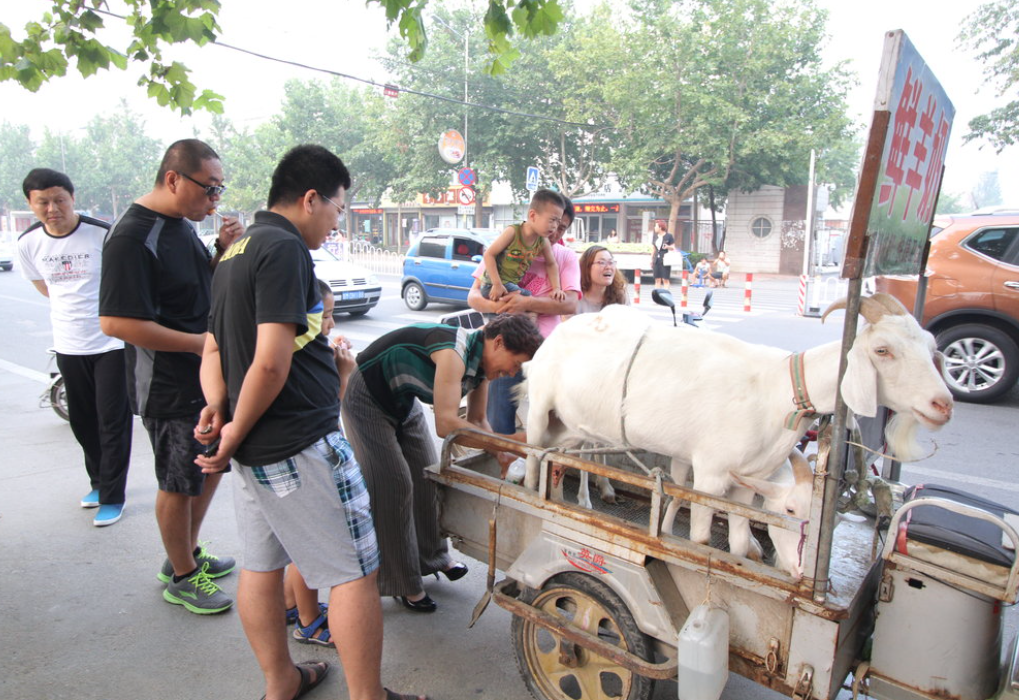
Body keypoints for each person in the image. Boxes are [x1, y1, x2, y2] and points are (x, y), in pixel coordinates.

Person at [194, 144, 426, 700]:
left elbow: (214, 350)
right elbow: (271, 360)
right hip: (295, 442)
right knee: (353, 572)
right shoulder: (284, 248)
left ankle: (283, 681)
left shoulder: (235, 251)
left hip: (256, 449)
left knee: (261, 565)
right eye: (339, 207)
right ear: (310, 198)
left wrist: (219, 411)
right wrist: (233, 431)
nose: (337, 219)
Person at [99, 139, 243, 614]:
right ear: (174, 179)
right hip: (167, 382)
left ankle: (185, 552)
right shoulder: (130, 237)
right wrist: (198, 343)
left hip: (203, 375)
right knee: (178, 480)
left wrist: (220, 252)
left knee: (207, 468)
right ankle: (181, 576)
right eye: (209, 188)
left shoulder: (179, 225)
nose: (214, 200)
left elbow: (188, 287)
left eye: (219, 189)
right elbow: (117, 323)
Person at [341, 314, 543, 613]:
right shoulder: (454, 351)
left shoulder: (481, 366)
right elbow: (447, 425)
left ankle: (432, 557)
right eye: (515, 363)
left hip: (402, 401)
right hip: (367, 398)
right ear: (498, 342)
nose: (513, 371)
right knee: (395, 486)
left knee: (427, 478)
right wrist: (512, 442)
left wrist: (502, 452)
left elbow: (476, 421)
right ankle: (403, 582)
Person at [18, 168, 133, 527]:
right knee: (83, 421)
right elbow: (44, 286)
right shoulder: (28, 244)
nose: (53, 208)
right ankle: (98, 483)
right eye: (43, 202)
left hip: (111, 342)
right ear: (31, 204)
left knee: (113, 421)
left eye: (59, 200)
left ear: (72, 198)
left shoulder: (101, 234)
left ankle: (114, 496)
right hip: (69, 344)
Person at [468, 198, 581, 434]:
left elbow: (570, 304)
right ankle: (500, 460)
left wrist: (527, 303)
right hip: (506, 348)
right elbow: (473, 298)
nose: (554, 231)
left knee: (553, 425)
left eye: (562, 227)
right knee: (499, 418)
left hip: (547, 351)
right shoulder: (509, 244)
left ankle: (544, 467)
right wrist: (505, 305)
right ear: (534, 216)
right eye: (553, 222)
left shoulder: (564, 257)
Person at [479, 188, 565, 302]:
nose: (555, 226)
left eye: (558, 221)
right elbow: (489, 254)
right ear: (533, 215)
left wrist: (557, 288)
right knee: (527, 299)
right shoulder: (513, 232)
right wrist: (497, 284)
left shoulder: (543, 241)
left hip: (509, 286)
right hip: (492, 285)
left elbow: (551, 264)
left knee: (518, 306)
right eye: (552, 220)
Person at [576, 245, 629, 314]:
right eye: (602, 262)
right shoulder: (575, 298)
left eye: (611, 262)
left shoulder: (620, 294)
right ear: (587, 268)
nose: (608, 267)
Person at [650, 220, 675, 290]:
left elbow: (673, 247)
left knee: (665, 279)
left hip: (665, 259)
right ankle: (657, 294)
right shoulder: (655, 236)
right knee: (657, 279)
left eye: (656, 226)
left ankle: (665, 294)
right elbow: (653, 249)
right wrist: (651, 259)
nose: (655, 227)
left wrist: (668, 247)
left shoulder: (669, 236)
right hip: (656, 259)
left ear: (660, 227)